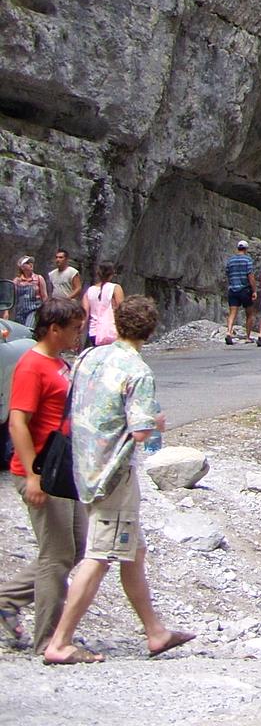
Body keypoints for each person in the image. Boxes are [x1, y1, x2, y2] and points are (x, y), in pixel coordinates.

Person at [40, 295, 194, 664]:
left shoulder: (89, 356)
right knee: (100, 555)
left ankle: (155, 632)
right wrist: (156, 422)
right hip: (113, 474)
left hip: (83, 466)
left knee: (133, 551)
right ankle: (60, 642)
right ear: (151, 331)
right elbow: (141, 431)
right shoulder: (138, 371)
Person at [0, 298, 87, 651]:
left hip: (62, 473)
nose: (79, 334)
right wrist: (33, 477)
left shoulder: (58, 362)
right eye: (74, 329)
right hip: (41, 473)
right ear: (54, 329)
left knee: (76, 547)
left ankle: (7, 599)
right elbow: (17, 422)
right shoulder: (31, 365)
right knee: (57, 555)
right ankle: (49, 640)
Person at [222, 240, 256, 345]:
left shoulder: (231, 260)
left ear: (238, 248)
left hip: (233, 289)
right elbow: (250, 276)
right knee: (249, 314)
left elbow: (227, 274)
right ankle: (248, 337)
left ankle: (229, 332)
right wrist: (254, 290)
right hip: (245, 290)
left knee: (232, 313)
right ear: (246, 249)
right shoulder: (247, 260)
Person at [82, 261, 122, 348]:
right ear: (112, 274)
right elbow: (122, 311)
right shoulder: (115, 288)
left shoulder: (89, 291)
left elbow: (84, 315)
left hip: (94, 333)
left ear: (98, 274)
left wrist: (78, 333)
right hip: (112, 331)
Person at [6, 258, 48, 334]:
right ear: (22, 267)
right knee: (19, 331)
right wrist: (7, 312)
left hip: (33, 310)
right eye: (27, 263)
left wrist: (46, 312)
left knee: (28, 329)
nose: (31, 264)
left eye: (31, 262)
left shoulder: (38, 279)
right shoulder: (17, 281)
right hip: (20, 312)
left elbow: (44, 297)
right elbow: (11, 298)